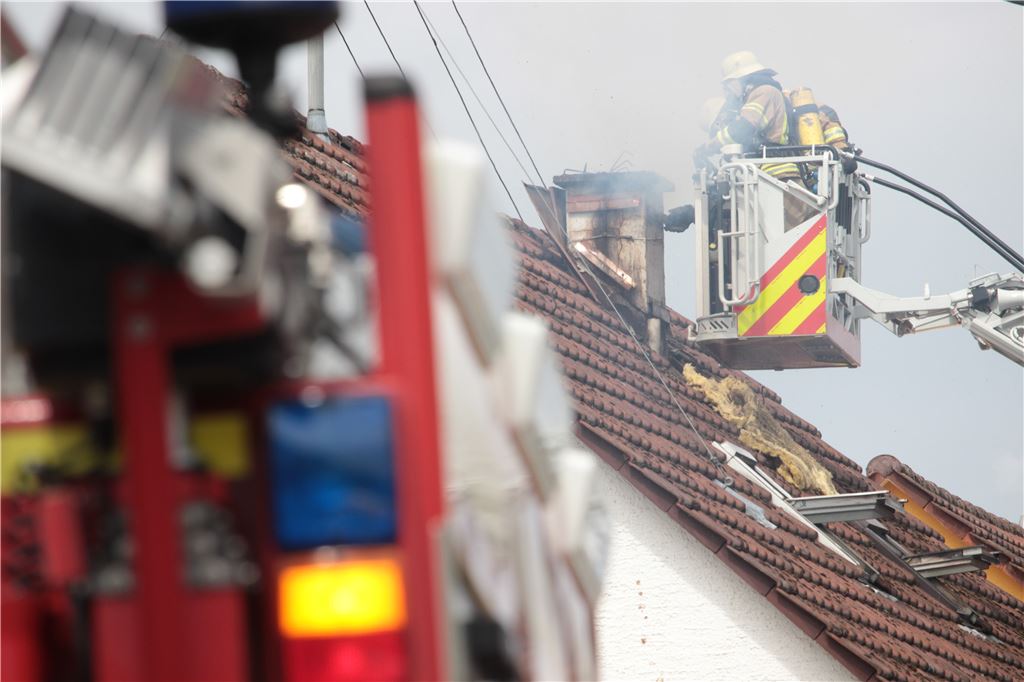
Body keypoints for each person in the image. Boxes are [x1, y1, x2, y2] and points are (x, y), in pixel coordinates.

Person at [693, 51, 800, 182]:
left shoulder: (764, 92)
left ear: (740, 79)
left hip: (777, 172)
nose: (729, 91)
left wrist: (709, 147)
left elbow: (742, 128)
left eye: (729, 84)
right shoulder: (760, 93)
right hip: (770, 172)